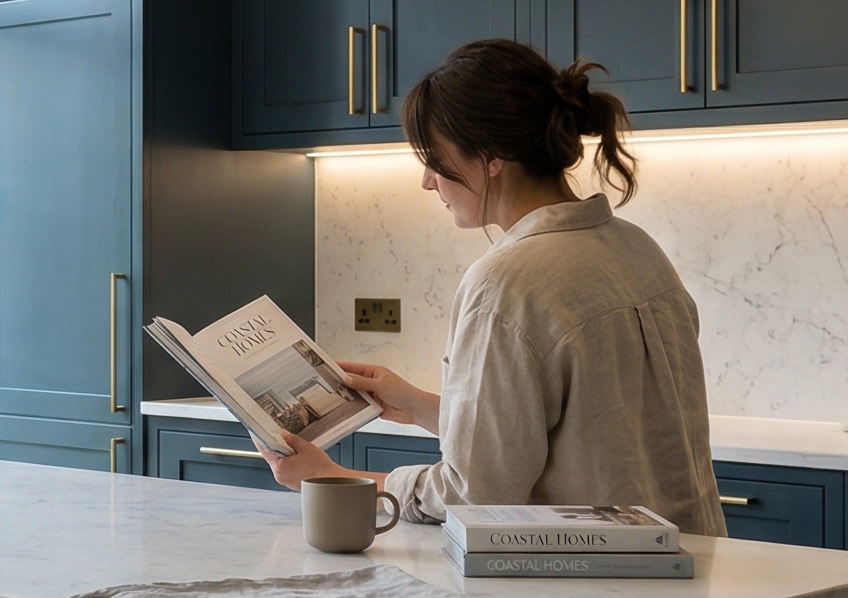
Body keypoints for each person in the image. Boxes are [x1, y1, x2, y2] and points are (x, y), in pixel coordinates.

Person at [267, 38, 727, 536]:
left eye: (434, 158)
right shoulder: (636, 248)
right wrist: (422, 406)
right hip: (686, 568)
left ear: (491, 156)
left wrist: (333, 478)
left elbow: (475, 496)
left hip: (591, 588)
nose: (427, 181)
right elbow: (584, 437)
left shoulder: (505, 283)